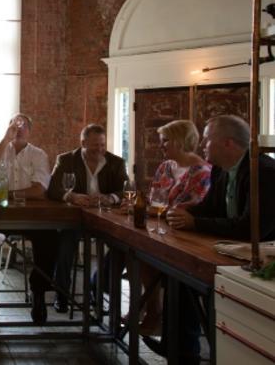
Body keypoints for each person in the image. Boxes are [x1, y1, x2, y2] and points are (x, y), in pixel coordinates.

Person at [153, 115, 275, 365]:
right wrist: (182, 214)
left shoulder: (263, 171)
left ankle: (210, 349)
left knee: (200, 283)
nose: (203, 145)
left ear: (228, 143)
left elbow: (252, 228)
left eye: (208, 140)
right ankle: (180, 351)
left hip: (261, 261)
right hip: (228, 248)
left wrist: (194, 222)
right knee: (179, 272)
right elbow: (209, 207)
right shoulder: (222, 167)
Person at [131, 120, 212, 336]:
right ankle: (147, 309)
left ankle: (155, 313)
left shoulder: (202, 172)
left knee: (146, 257)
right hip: (161, 230)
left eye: (165, 141)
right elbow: (154, 200)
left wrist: (156, 210)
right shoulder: (165, 167)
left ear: (180, 141)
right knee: (132, 252)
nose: (161, 146)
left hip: (188, 237)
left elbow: (185, 210)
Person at [47, 124, 128, 314]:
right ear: (83, 143)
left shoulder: (116, 163)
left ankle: (98, 285)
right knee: (66, 244)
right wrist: (72, 196)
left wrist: (111, 198)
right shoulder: (66, 160)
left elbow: (125, 191)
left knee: (122, 246)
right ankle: (61, 294)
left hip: (106, 219)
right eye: (94, 146)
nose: (99, 150)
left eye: (102, 145)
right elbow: (53, 189)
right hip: (76, 218)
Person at [0, 113, 52, 324]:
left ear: (30, 132)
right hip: (1, 217)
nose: (19, 129)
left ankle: (38, 292)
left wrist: (11, 194)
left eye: (23, 126)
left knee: (50, 239)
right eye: (14, 125)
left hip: (31, 218)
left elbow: (39, 190)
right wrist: (5, 140)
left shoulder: (38, 155)